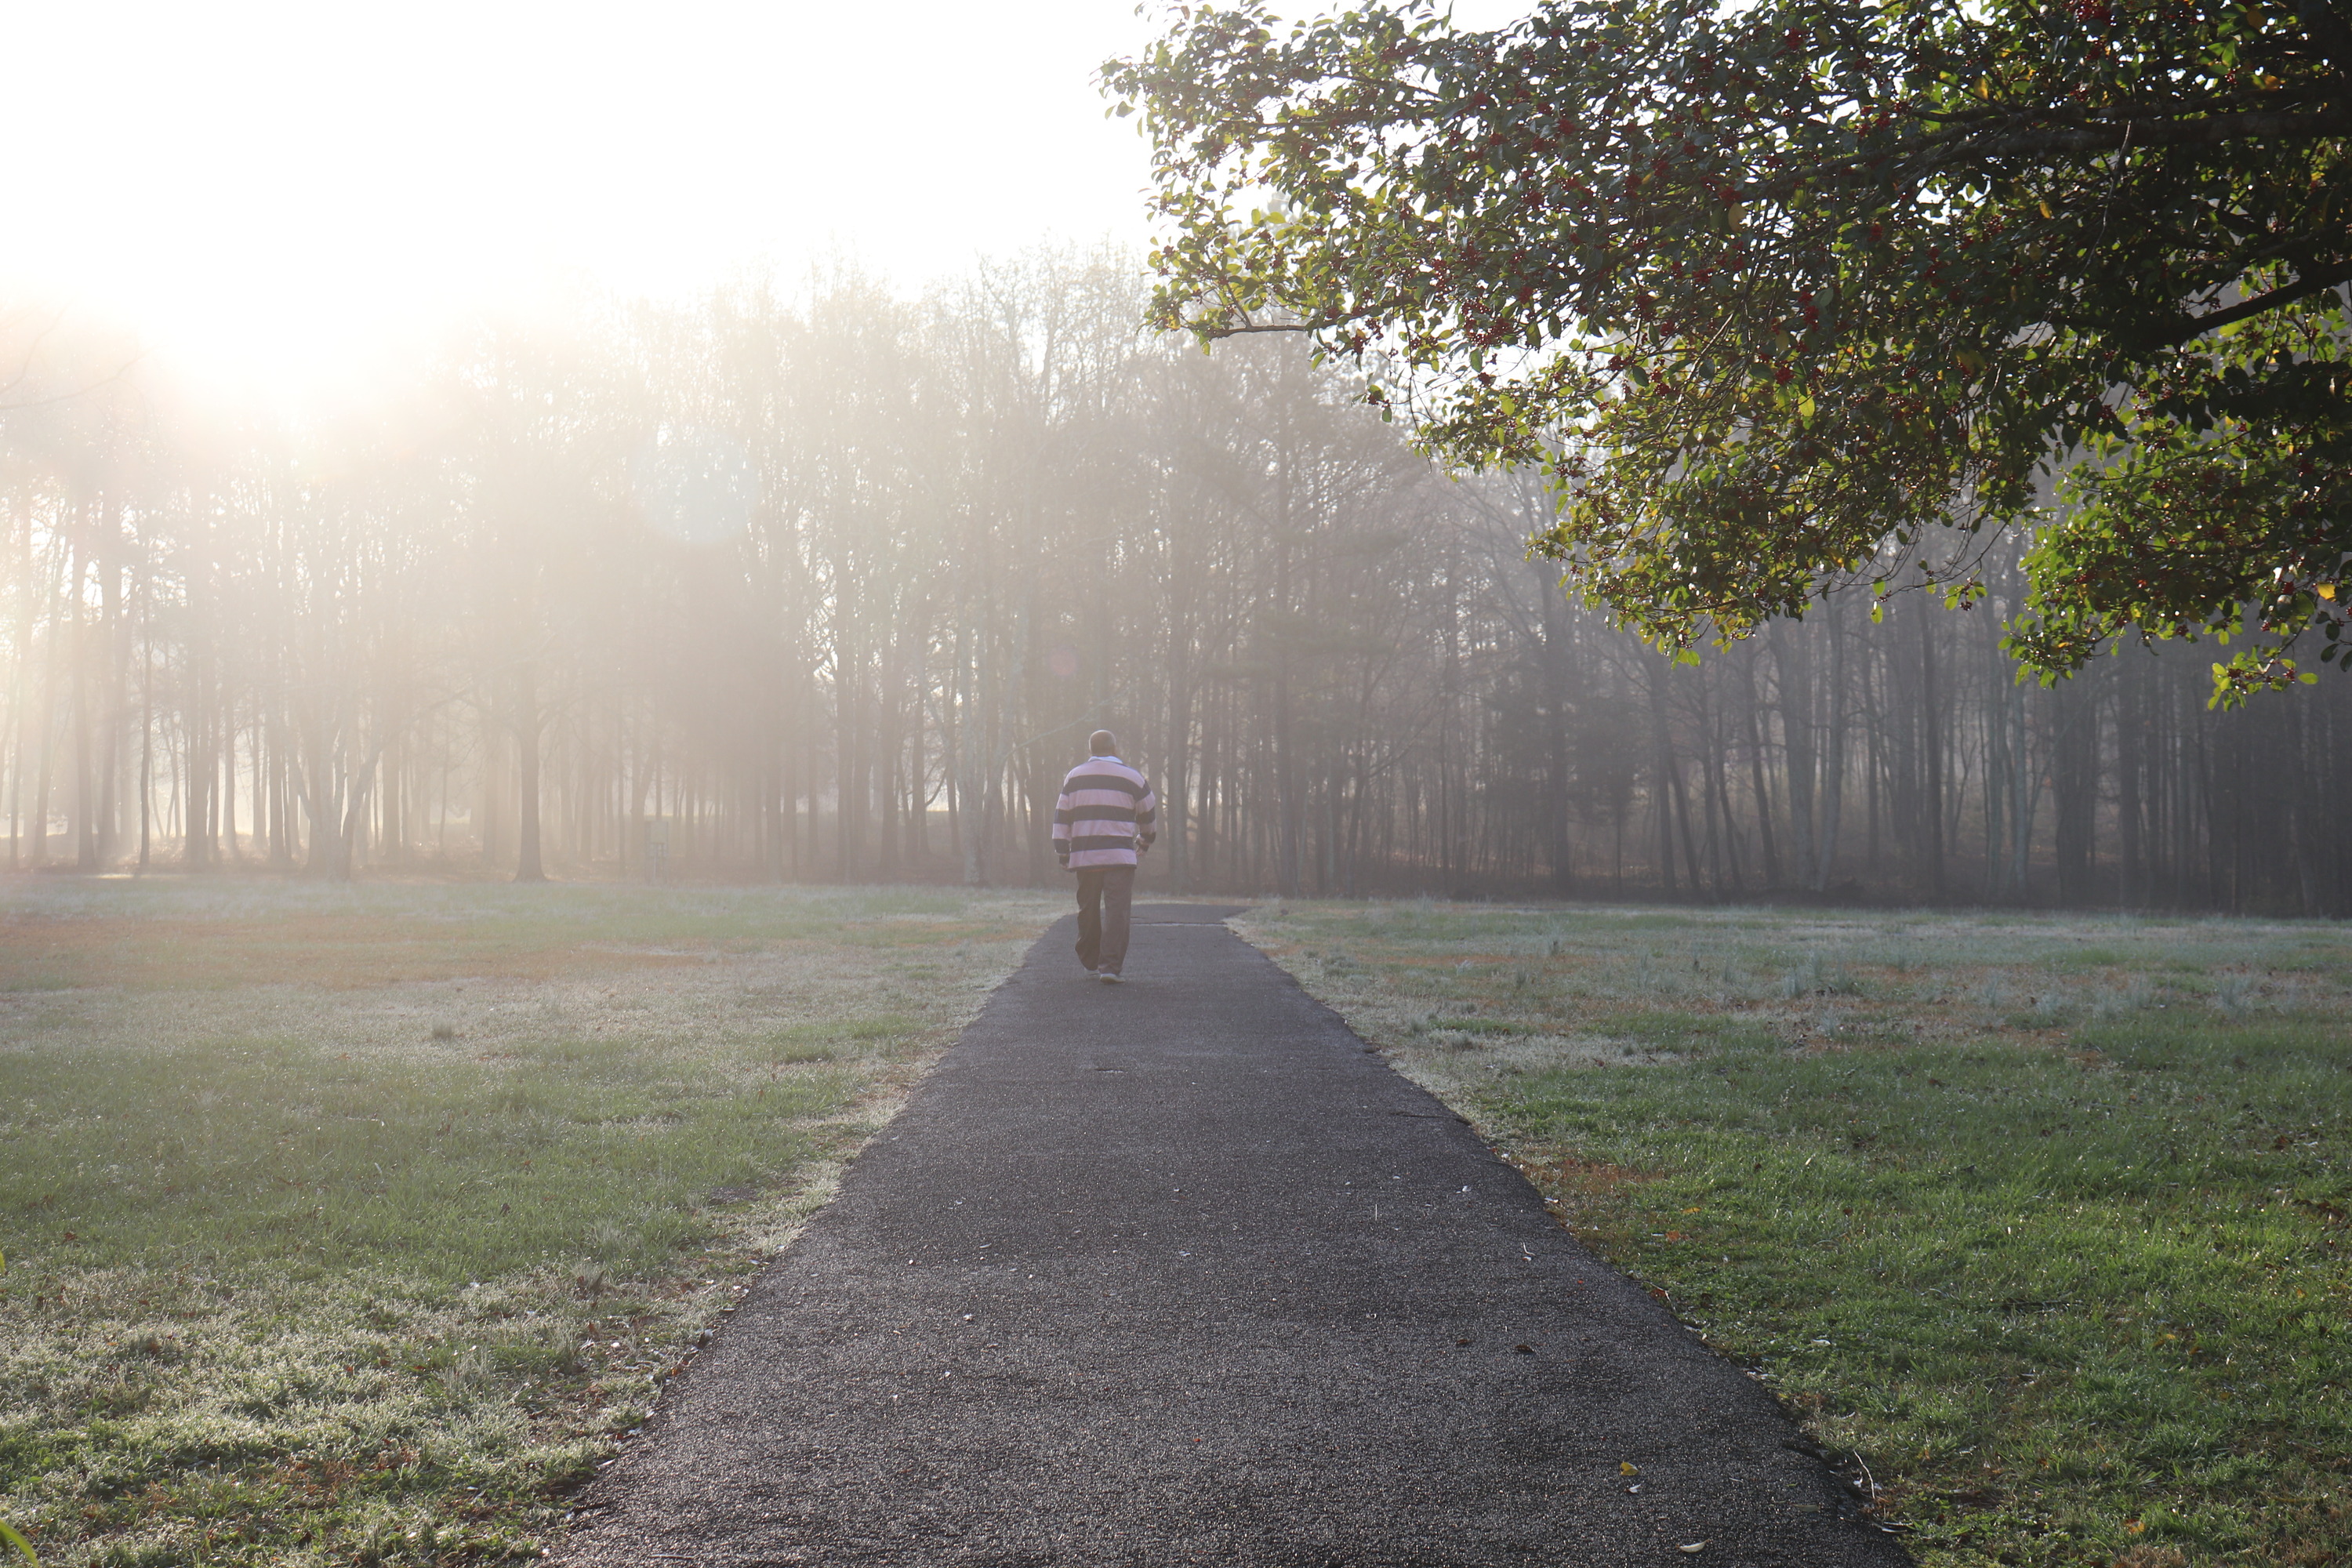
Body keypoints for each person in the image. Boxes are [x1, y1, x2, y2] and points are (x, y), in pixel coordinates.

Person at [1051, 730, 1157, 982]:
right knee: (1116, 911)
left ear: (1091, 749)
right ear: (1115, 748)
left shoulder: (1074, 777)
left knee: (1088, 908)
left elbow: (1062, 815)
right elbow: (1148, 812)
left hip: (1086, 856)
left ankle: (1090, 962)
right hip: (1119, 856)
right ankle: (1110, 967)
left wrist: (1063, 851)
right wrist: (1145, 840)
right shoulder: (1133, 777)